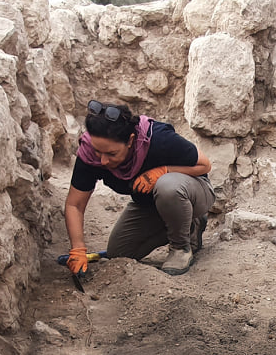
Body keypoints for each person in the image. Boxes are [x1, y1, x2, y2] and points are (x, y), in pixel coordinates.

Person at [64, 100, 215, 277]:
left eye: (111, 154)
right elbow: (74, 205)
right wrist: (78, 249)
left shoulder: (159, 139)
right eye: (98, 151)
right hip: (150, 204)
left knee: (167, 186)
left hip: (193, 192)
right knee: (119, 253)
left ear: (130, 141)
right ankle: (188, 225)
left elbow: (204, 165)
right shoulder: (89, 153)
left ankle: (180, 247)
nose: (103, 161)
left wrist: (163, 171)